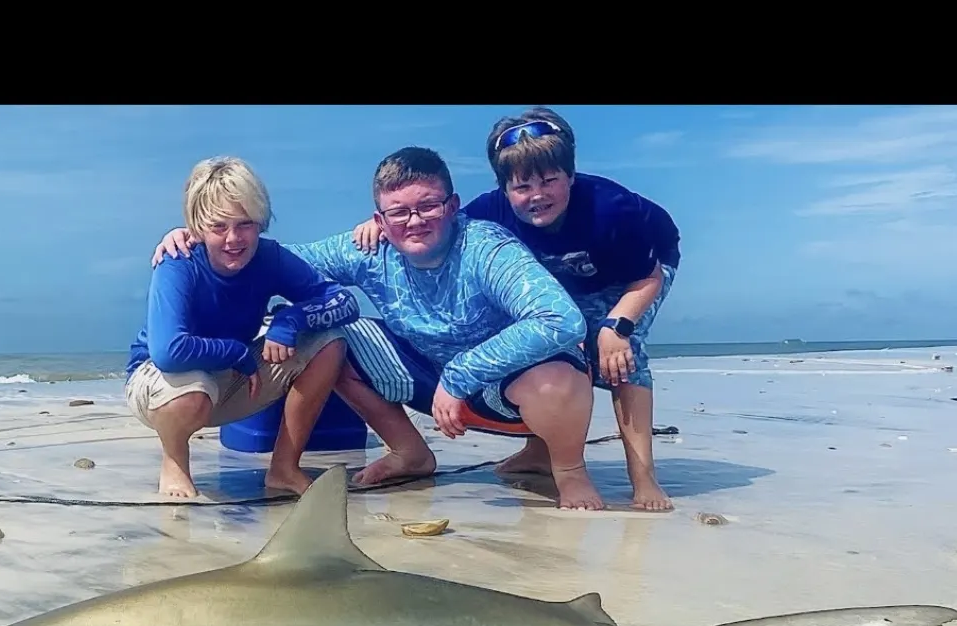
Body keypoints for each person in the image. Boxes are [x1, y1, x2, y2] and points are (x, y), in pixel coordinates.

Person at [152, 147, 615, 511]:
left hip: (503, 390)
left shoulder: (487, 248)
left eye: (428, 206)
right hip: (429, 380)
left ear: (453, 206)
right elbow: (272, 260)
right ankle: (409, 452)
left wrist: (462, 375)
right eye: (399, 212)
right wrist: (195, 237)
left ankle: (569, 471)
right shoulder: (371, 247)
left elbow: (561, 319)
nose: (415, 221)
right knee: (331, 338)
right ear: (380, 219)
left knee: (557, 378)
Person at [351, 107, 680, 512]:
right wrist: (380, 225)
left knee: (620, 358)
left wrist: (618, 326)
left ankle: (644, 477)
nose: (537, 195)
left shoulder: (612, 210)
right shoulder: (488, 212)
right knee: (542, 343)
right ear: (504, 188)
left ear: (571, 176)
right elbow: (434, 222)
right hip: (563, 274)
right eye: (522, 186)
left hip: (633, 276)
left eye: (550, 180)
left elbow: (648, 278)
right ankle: (539, 452)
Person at [128, 155, 361, 499]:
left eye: (245, 224)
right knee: (192, 392)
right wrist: (237, 352)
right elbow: (168, 352)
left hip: (232, 377)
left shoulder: (269, 257)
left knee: (329, 342)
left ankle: (284, 468)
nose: (233, 238)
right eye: (218, 226)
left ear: (260, 221)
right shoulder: (177, 261)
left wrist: (291, 319)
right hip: (160, 382)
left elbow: (344, 301)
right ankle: (175, 462)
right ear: (197, 227)